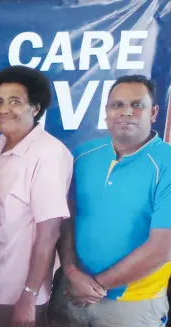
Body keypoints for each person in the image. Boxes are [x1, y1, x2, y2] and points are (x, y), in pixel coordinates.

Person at [50, 75, 171, 326]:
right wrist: (71, 272)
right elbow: (67, 219)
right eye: (117, 105)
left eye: (137, 105)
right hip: (71, 292)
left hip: (131, 305)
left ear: (154, 112)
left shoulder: (167, 162)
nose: (126, 112)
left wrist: (95, 287)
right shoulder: (83, 155)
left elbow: (162, 248)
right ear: (106, 112)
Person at [0, 66, 73, 326]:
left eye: (15, 101)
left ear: (35, 108)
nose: (3, 109)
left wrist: (29, 296)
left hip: (16, 293)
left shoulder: (49, 154)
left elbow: (49, 233)